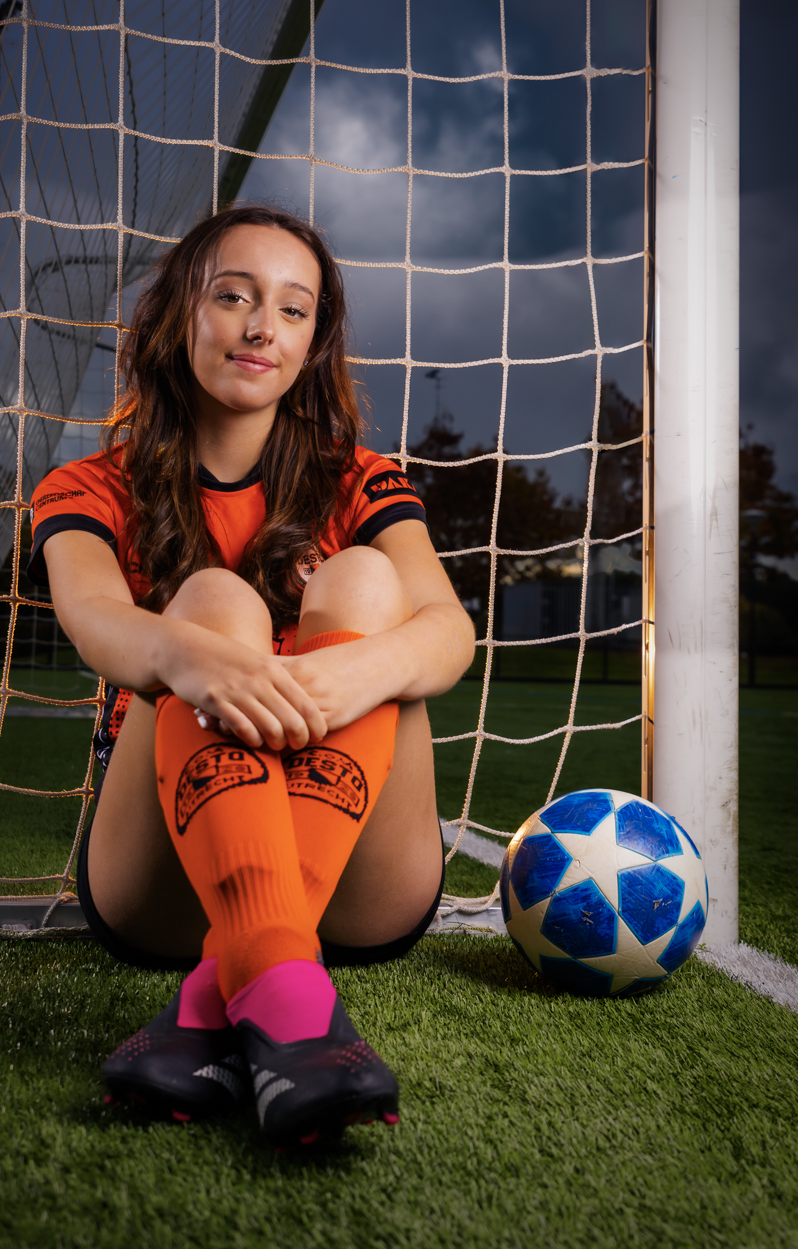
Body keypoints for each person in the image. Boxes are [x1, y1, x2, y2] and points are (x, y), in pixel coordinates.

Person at [28, 204, 475, 1146]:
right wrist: (189, 651)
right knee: (216, 605)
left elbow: (449, 633)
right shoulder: (86, 488)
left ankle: (229, 991)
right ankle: (279, 985)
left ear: (314, 345)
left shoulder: (361, 478)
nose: (262, 324)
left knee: (366, 577)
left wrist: (355, 674)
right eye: (233, 296)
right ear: (177, 316)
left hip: (359, 881)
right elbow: (96, 620)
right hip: (161, 884)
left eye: (295, 309)